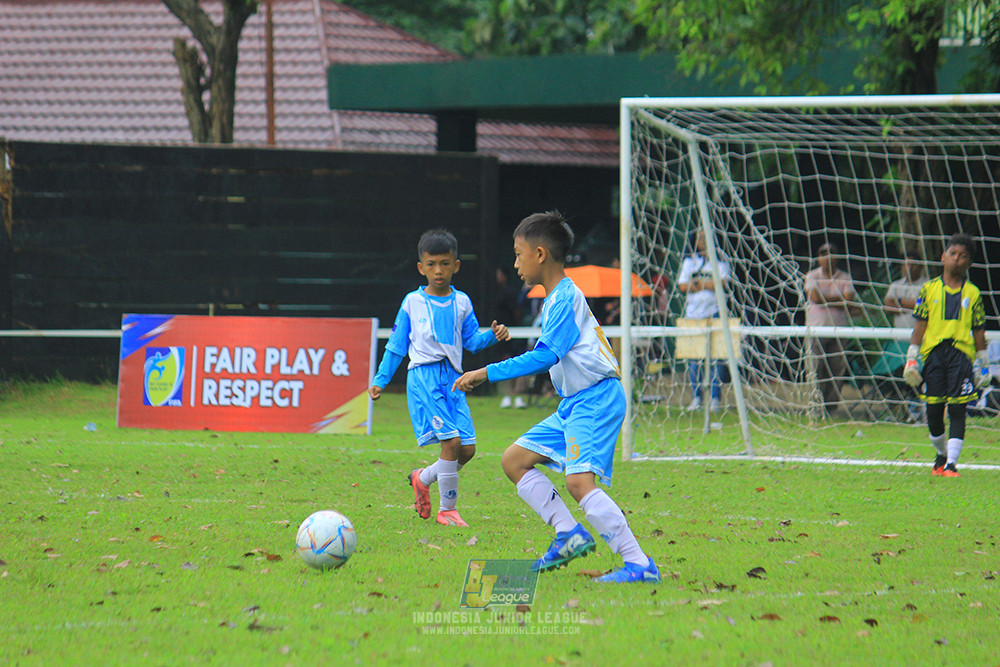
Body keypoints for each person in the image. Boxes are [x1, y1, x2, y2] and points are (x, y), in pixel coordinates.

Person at [452, 211, 660, 584]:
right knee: (515, 460)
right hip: (575, 403)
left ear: (541, 254)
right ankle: (568, 534)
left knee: (579, 483)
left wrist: (485, 373)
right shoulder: (556, 299)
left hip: (595, 399)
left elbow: (545, 356)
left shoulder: (564, 297)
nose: (515, 264)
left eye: (519, 254)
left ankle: (639, 565)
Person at [369, 229, 510, 527]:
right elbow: (396, 346)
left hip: (455, 380)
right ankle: (448, 510)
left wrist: (492, 337)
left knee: (467, 449)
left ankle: (423, 477)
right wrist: (381, 379)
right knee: (451, 442)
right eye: (431, 264)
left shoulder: (462, 302)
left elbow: (471, 342)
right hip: (424, 378)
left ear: (456, 265)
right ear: (421, 267)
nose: (438, 270)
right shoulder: (411, 302)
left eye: (445, 264)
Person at [903, 233, 989, 477]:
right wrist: (912, 356)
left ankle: (951, 464)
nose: (956, 260)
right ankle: (941, 454)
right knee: (933, 410)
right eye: (952, 254)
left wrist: (983, 363)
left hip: (961, 355)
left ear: (969, 264)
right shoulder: (929, 289)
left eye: (963, 256)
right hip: (934, 356)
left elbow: (979, 330)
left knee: (958, 408)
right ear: (943, 257)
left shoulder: (973, 293)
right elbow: (919, 325)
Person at [677, 228, 730, 412]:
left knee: (716, 358)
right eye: (699, 237)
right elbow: (683, 285)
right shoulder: (689, 262)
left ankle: (715, 398)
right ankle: (696, 398)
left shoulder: (720, 262)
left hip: (714, 314)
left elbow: (722, 283)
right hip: (693, 315)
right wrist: (706, 284)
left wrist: (699, 284)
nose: (702, 241)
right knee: (694, 360)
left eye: (705, 237)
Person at [804, 242, 857, 415]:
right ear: (818, 257)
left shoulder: (845, 277)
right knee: (816, 368)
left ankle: (830, 408)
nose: (827, 256)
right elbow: (815, 298)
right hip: (816, 330)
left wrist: (827, 298)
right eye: (823, 252)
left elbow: (848, 302)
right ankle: (815, 406)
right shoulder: (812, 275)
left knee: (836, 370)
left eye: (831, 252)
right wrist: (839, 300)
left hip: (839, 330)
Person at [884, 257, 927, 422]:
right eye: (908, 263)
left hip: (921, 342)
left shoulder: (928, 285)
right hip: (897, 344)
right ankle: (909, 410)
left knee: (920, 372)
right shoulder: (896, 285)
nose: (911, 267)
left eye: (915, 263)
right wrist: (914, 305)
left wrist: (900, 302)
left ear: (921, 266)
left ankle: (916, 410)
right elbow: (887, 306)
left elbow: (927, 306)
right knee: (899, 372)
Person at [493, 266, 529, 409]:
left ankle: (518, 395)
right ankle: (507, 396)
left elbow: (517, 311)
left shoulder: (512, 293)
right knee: (504, 361)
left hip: (514, 332)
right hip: (500, 334)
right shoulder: (496, 292)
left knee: (517, 361)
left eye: (499, 274)